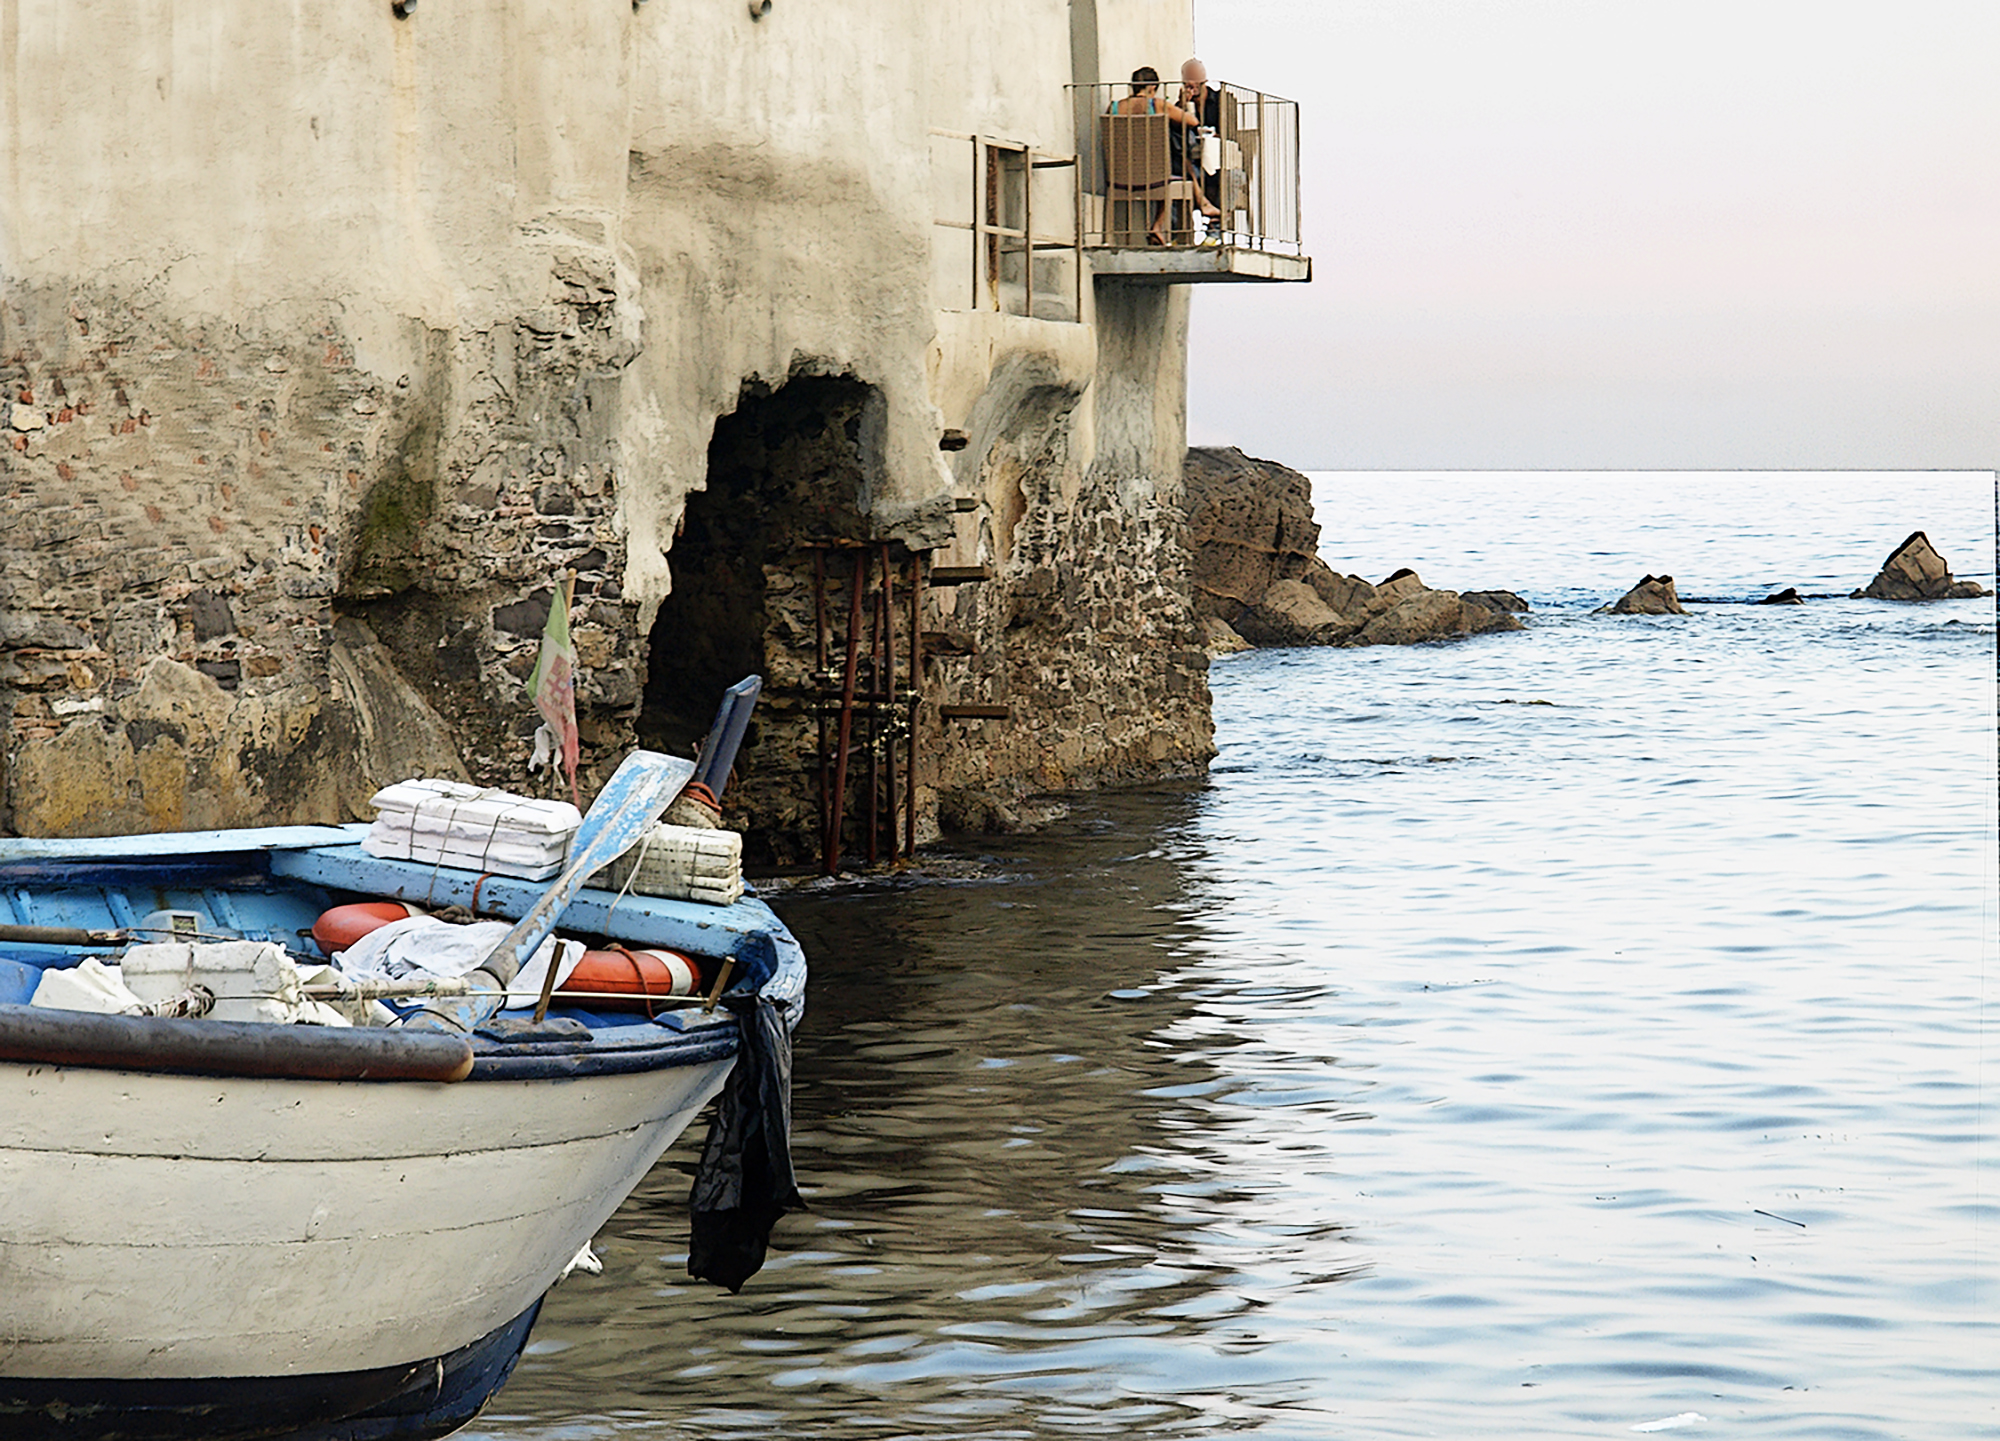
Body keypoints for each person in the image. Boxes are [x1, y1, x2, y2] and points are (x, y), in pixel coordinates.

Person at [1110, 66, 1221, 244]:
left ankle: (1200, 203)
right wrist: (1183, 103)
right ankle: (1167, 221)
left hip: (1122, 172)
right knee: (1177, 162)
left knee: (1174, 157)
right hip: (1155, 175)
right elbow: (1193, 121)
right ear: (1152, 88)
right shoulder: (1157, 105)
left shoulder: (1115, 107)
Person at [1175, 58, 1225, 223]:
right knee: (1181, 168)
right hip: (1190, 159)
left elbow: (1229, 130)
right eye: (1187, 79)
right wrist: (1183, 107)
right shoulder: (1180, 105)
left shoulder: (1220, 101)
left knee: (1225, 177)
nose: (1191, 83)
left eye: (1194, 78)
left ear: (1204, 79)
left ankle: (1216, 227)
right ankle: (1182, 231)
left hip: (1216, 158)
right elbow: (1175, 132)